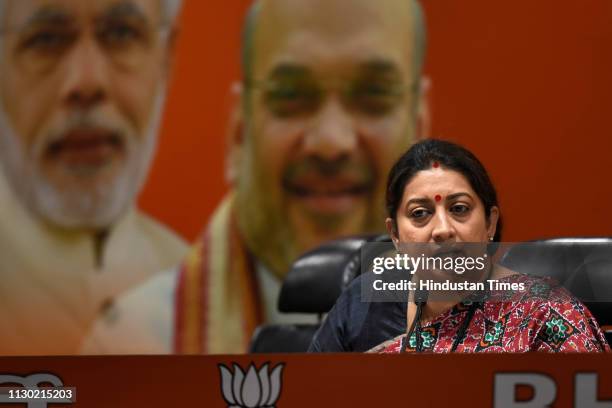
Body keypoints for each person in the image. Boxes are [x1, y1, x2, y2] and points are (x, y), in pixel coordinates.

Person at [82, 0, 431, 354]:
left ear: (418, 131)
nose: (331, 141)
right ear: (239, 134)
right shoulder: (131, 349)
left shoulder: (479, 340)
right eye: (291, 95)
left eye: (374, 95)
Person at [0, 0, 188, 355]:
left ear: (166, 58)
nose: (87, 82)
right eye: (46, 40)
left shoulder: (203, 298)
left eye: (121, 34)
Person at [312, 139, 609, 353]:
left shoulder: (545, 312)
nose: (443, 230)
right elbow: (310, 394)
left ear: (490, 223)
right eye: (420, 214)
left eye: (459, 209)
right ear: (396, 236)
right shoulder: (363, 305)